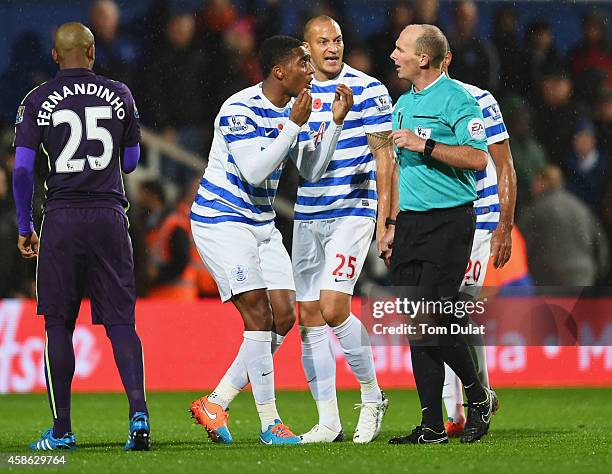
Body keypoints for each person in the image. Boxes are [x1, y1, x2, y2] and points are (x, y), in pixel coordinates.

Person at [188, 35, 353, 445]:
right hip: (222, 222)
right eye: (303, 62)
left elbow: (311, 170)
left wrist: (331, 124)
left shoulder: (301, 108)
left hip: (261, 224)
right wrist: (294, 125)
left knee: (284, 315)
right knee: (259, 317)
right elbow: (255, 171)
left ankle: (217, 401)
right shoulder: (239, 109)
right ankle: (269, 423)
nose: (311, 68)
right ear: (280, 71)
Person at [12, 22, 149, 451]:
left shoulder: (35, 101)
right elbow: (130, 161)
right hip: (110, 216)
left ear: (55, 55)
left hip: (63, 219)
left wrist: (23, 225)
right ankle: (138, 416)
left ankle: (62, 430)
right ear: (91, 52)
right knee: (122, 324)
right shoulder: (121, 94)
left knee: (58, 325)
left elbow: (20, 170)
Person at [381, 24, 493, 444]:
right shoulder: (404, 102)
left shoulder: (458, 100)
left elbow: (478, 159)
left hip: (450, 221)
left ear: (423, 58)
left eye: (400, 49)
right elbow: (396, 169)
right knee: (416, 323)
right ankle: (430, 425)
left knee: (429, 319)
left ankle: (478, 396)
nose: (393, 55)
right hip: (410, 223)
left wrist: (424, 145)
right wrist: (390, 225)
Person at [291, 16, 394, 444]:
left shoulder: (369, 89)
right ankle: (328, 421)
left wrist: (388, 221)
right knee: (308, 317)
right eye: (323, 41)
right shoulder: (297, 92)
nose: (332, 47)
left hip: (354, 210)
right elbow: (301, 163)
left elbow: (386, 159)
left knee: (334, 308)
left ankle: (372, 398)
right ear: (306, 48)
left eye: (337, 40)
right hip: (308, 213)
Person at [440, 49, 517, 437]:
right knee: (437, 311)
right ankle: (456, 410)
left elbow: (504, 164)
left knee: (458, 310)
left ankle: (477, 397)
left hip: (477, 220)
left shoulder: (480, 99)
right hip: (433, 223)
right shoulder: (409, 105)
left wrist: (504, 224)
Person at [520, 165, 609, 286]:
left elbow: (519, 247)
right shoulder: (580, 207)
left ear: (542, 183)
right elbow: (600, 244)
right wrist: (598, 275)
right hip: (583, 277)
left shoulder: (535, 211)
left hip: (549, 279)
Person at [137, 180, 197, 300]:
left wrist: (158, 274)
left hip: (177, 298)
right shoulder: (148, 224)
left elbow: (181, 260)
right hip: (159, 296)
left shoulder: (173, 224)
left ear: (152, 195)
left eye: (142, 193)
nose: (138, 198)